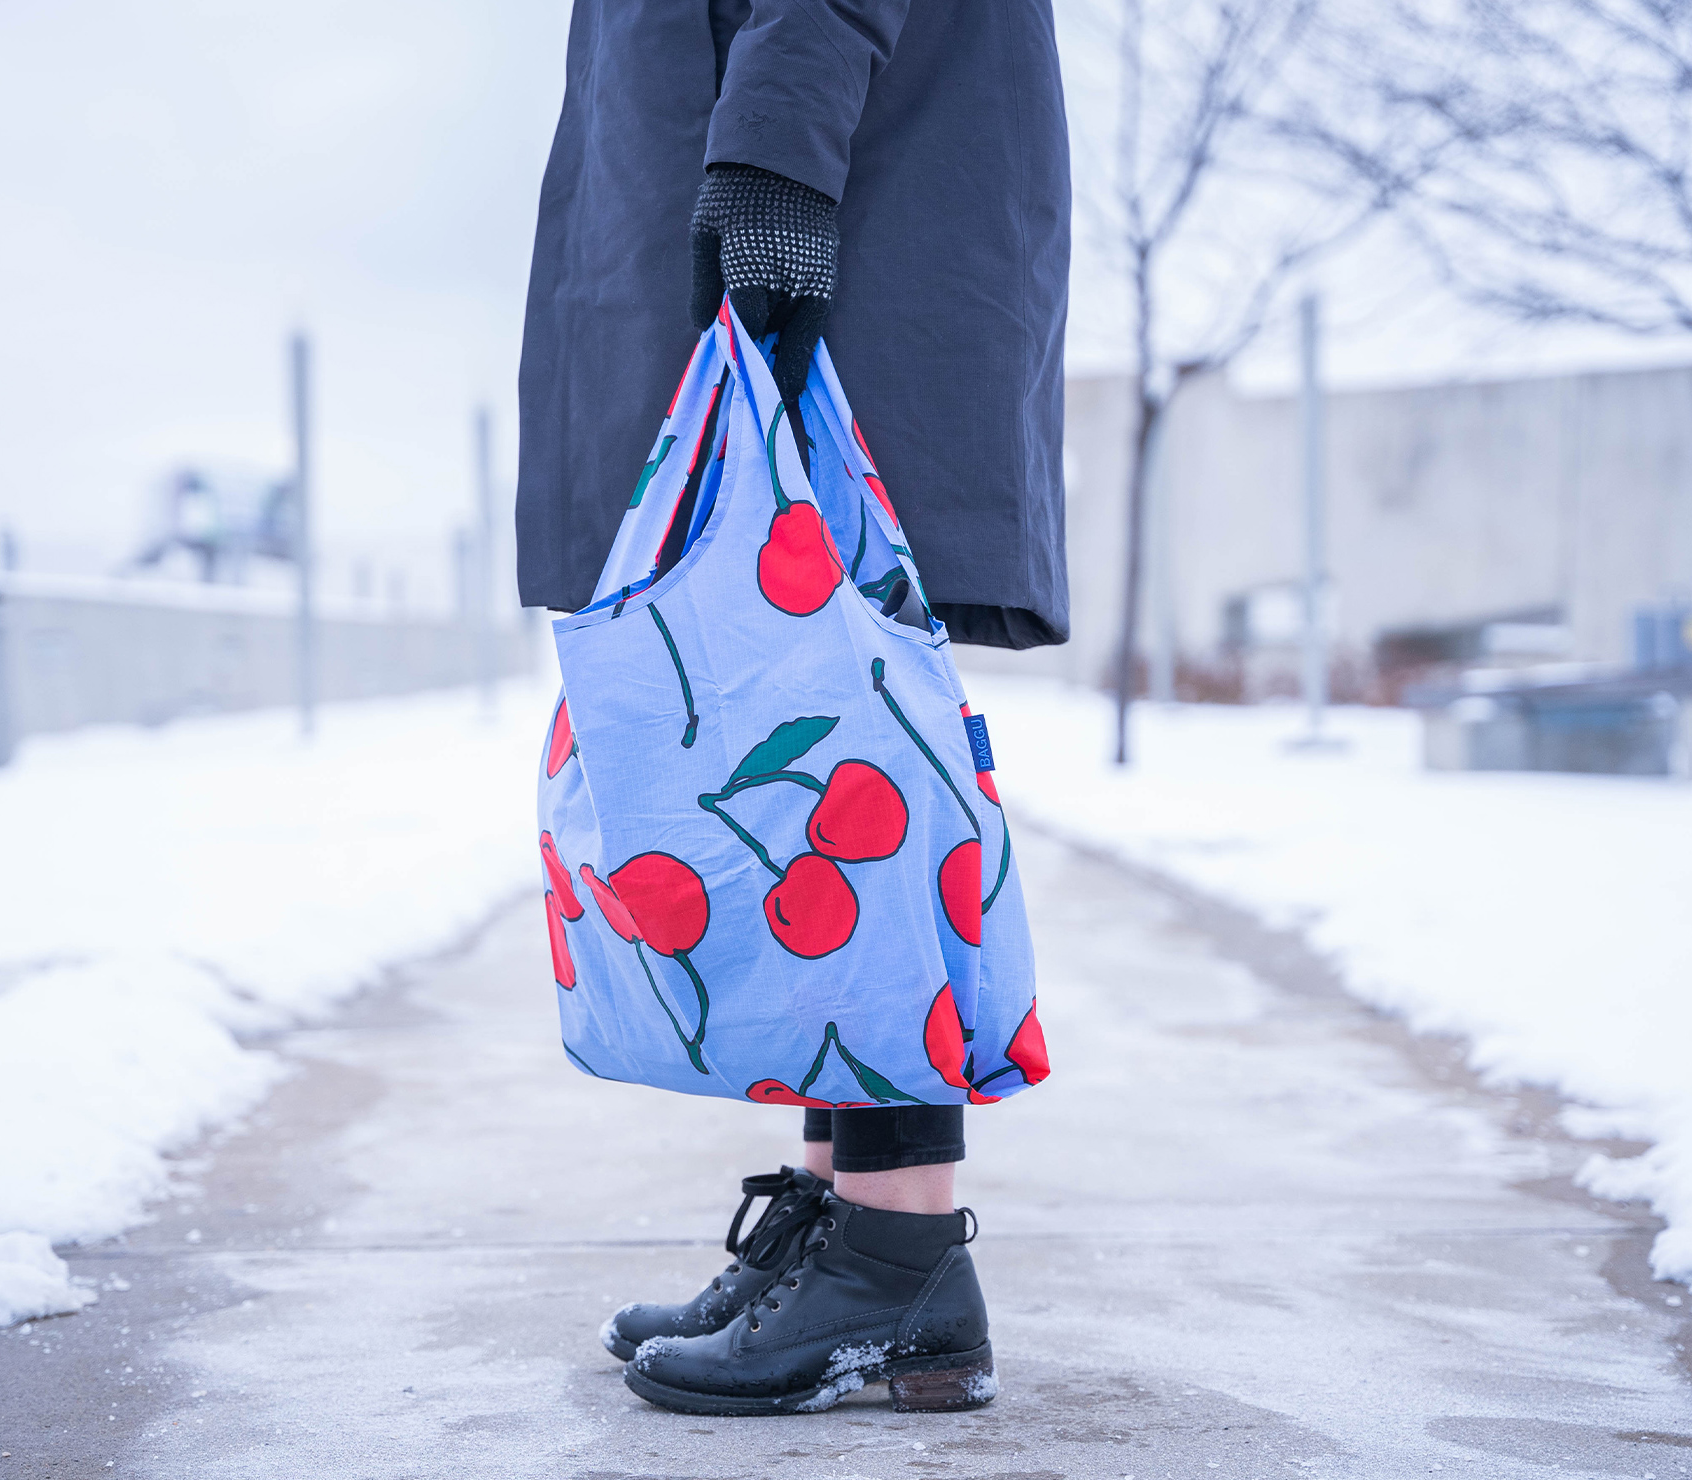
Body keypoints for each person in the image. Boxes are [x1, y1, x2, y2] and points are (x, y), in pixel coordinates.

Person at [516, 0, 1070, 1416]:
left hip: (833, 208)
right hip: (804, 182)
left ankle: (896, 1256)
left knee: (848, 759)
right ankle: (847, 1225)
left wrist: (771, 176)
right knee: (831, 762)